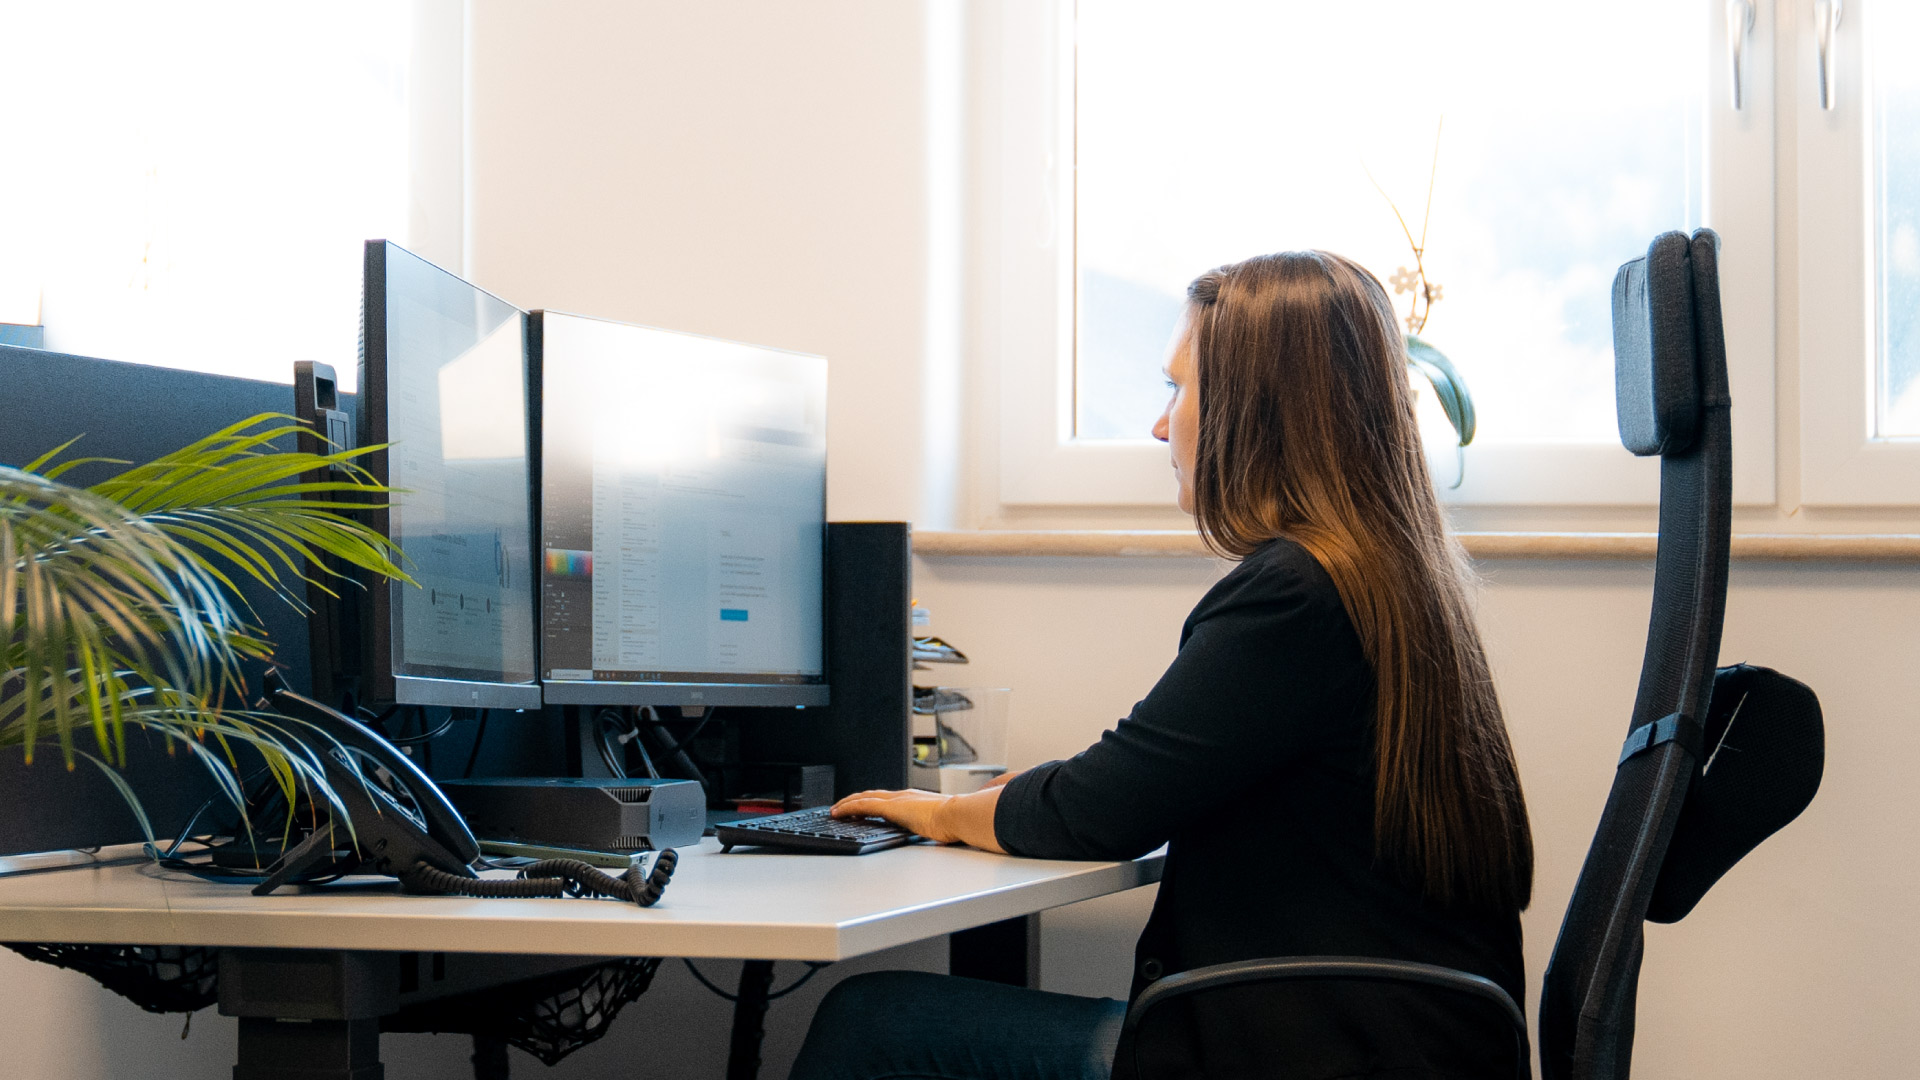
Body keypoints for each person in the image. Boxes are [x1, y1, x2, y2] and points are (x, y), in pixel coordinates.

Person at [788, 251, 1533, 1080]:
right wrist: (1027, 795)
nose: (1158, 424)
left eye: (1179, 390)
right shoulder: (1385, 578)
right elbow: (1144, 776)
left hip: (1315, 1050)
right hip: (1402, 1041)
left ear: (1256, 413)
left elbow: (1098, 813)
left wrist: (926, 811)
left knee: (875, 1020)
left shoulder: (1295, 594)